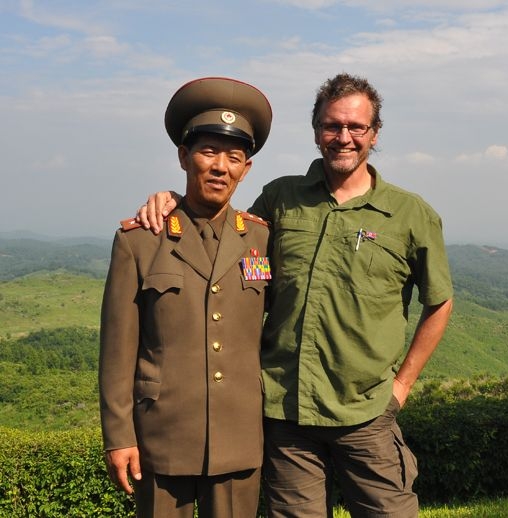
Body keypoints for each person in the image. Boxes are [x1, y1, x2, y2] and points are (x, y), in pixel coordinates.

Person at [137, 73, 453, 517]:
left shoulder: (409, 214)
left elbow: (439, 301)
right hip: (287, 417)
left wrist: (401, 387)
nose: (343, 137)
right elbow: (228, 247)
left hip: (365, 413)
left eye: (356, 127)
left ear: (374, 133)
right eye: (332, 126)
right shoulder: (281, 200)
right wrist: (175, 200)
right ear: (316, 130)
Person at [99, 77, 273, 518]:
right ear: (183, 156)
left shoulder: (260, 239)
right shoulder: (140, 240)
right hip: (162, 434)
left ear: (246, 169)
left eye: (234, 157)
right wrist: (119, 435)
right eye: (208, 151)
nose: (220, 167)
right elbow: (117, 349)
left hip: (239, 434)